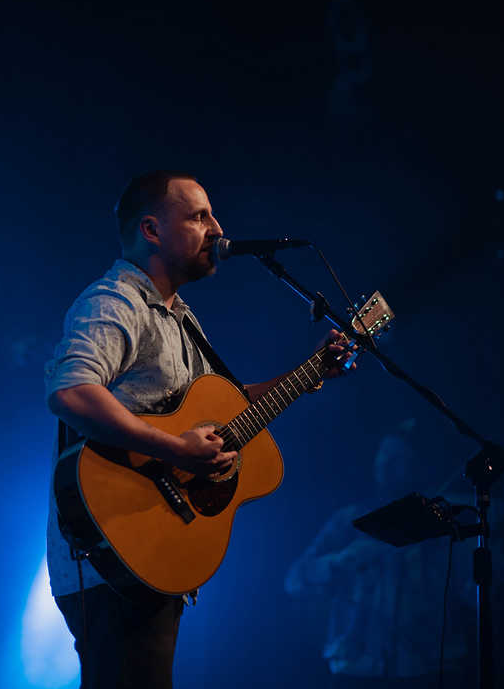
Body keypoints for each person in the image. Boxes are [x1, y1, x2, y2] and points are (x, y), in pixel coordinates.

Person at [45, 171, 349, 688]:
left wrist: (311, 369)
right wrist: (175, 450)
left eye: (212, 215)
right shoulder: (115, 301)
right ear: (152, 230)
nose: (216, 227)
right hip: (111, 553)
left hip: (151, 552)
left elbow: (221, 409)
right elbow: (72, 392)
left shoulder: (180, 318)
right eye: (197, 215)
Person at [284, 423, 474, 688]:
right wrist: (340, 561)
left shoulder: (442, 521)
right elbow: (294, 580)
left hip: (428, 665)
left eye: (398, 460)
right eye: (382, 458)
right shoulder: (348, 521)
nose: (386, 467)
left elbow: (473, 588)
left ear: (417, 466)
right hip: (357, 667)